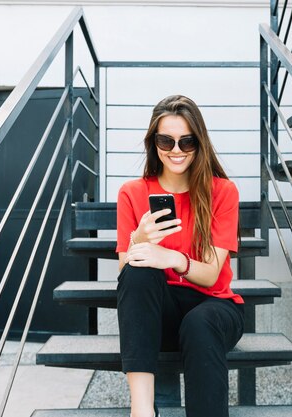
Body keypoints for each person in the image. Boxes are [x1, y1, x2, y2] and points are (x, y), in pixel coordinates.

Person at [115, 95, 245, 417]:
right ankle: (142, 410)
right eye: (166, 140)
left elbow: (212, 275)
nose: (176, 150)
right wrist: (139, 240)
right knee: (137, 269)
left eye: (186, 141)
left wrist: (171, 258)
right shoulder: (132, 193)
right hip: (160, 315)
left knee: (200, 323)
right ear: (154, 142)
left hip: (214, 307)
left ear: (199, 143)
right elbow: (125, 274)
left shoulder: (222, 192)